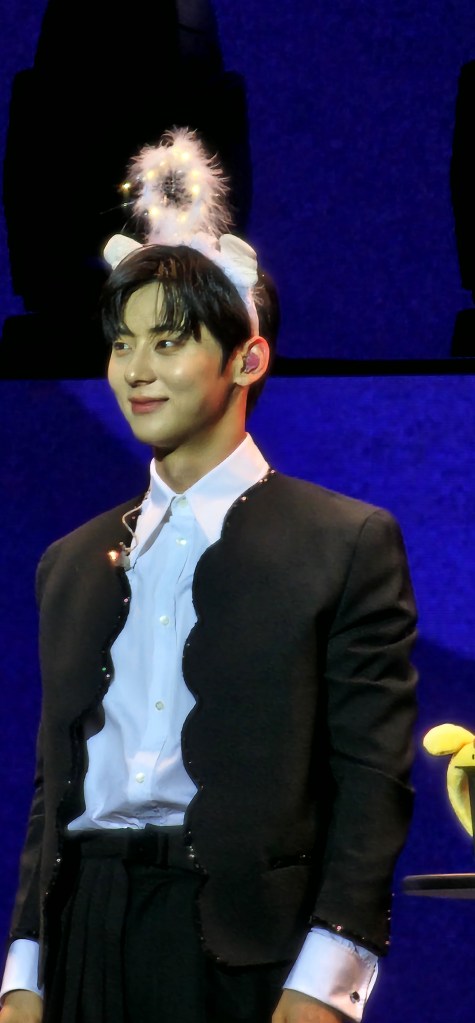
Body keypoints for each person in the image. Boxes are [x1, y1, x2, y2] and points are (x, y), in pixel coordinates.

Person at [0, 128, 418, 1023]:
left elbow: (370, 783)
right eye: (121, 342)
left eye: (168, 341)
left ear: (246, 358)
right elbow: (53, 788)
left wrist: (328, 981)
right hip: (84, 937)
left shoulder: (342, 541)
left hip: (243, 951)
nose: (136, 370)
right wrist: (23, 971)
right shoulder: (69, 562)